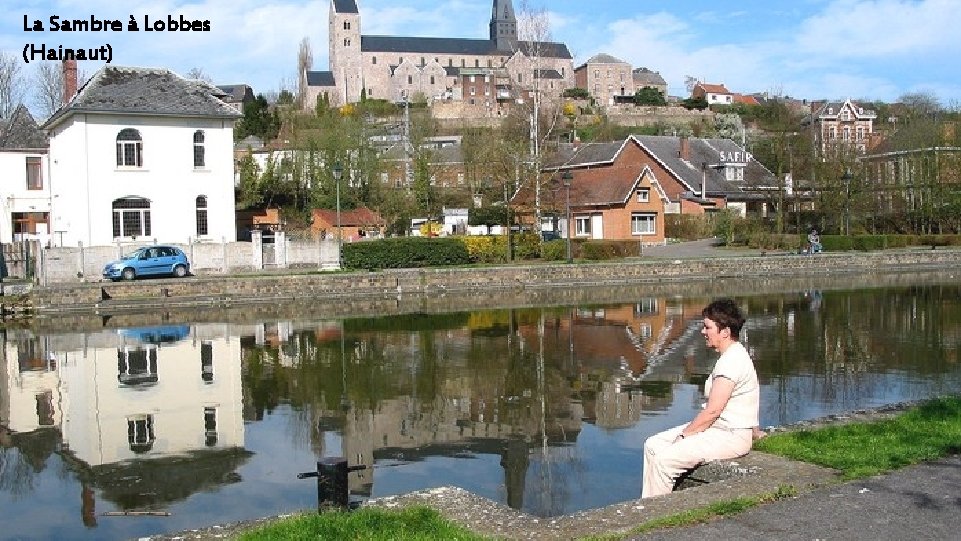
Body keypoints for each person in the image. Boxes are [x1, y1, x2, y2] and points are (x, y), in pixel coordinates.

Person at [641, 298, 761, 498]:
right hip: (719, 431)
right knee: (653, 445)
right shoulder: (733, 356)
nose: (703, 332)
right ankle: (648, 506)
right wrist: (755, 430)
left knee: (664, 460)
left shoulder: (731, 363)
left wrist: (684, 436)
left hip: (729, 436)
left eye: (707, 327)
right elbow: (746, 396)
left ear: (725, 332)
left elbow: (713, 410)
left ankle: (656, 517)